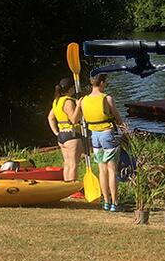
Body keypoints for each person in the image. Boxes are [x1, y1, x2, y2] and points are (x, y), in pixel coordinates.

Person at [81, 73, 127, 211]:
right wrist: (125, 131)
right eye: (105, 82)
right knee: (112, 170)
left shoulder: (83, 100)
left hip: (94, 136)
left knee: (102, 170)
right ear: (101, 83)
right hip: (107, 135)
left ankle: (106, 202)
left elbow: (77, 118)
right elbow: (118, 119)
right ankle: (115, 203)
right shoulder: (107, 98)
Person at [47, 77, 83, 182]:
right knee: (73, 164)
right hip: (71, 136)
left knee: (67, 163)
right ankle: (73, 189)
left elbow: (50, 117)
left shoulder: (57, 101)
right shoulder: (68, 102)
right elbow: (74, 120)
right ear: (71, 88)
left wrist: (56, 132)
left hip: (61, 136)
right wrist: (78, 106)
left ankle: (67, 187)